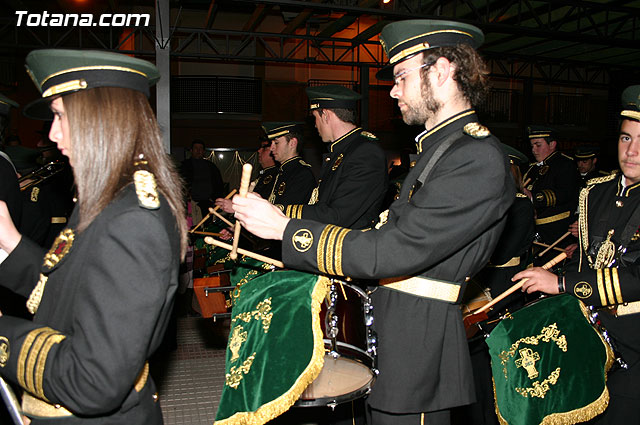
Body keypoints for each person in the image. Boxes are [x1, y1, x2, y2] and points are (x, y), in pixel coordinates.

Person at [232, 19, 514, 425]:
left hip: (419, 342)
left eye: (401, 76)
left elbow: (395, 250)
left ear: (442, 71)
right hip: (397, 331)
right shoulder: (441, 150)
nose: (393, 89)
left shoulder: (475, 156)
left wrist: (284, 229)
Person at [0, 48, 187, 423]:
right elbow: (77, 288)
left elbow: (93, 381)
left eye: (59, 116)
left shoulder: (132, 218)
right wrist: (9, 243)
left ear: (101, 119)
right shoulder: (112, 195)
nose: (52, 134)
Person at [512, 85, 640, 424]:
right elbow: (588, 259)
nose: (633, 151)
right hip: (588, 332)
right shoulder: (596, 192)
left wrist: (562, 283)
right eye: (627, 138)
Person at [278, 85, 388, 229]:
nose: (315, 125)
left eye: (315, 118)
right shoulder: (343, 150)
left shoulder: (365, 152)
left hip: (349, 247)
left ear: (326, 115)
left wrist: (279, 211)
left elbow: (337, 215)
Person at [522, 125, 581, 264]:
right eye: (532, 146)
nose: (533, 150)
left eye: (538, 145)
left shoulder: (565, 165)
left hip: (556, 233)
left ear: (552, 144)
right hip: (533, 231)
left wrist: (533, 197)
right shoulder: (531, 168)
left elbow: (565, 193)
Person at [262, 122, 316, 206]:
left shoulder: (302, 174)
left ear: (292, 143)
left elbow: (285, 212)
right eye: (271, 144)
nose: (271, 148)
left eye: (276, 143)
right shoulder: (277, 173)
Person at [181, 138, 224, 216]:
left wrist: (217, 201)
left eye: (200, 148)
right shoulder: (184, 166)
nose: (198, 150)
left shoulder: (211, 167)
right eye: (196, 148)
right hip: (190, 204)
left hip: (208, 203)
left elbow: (219, 185)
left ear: (204, 151)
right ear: (191, 150)